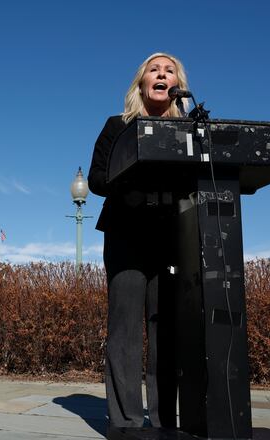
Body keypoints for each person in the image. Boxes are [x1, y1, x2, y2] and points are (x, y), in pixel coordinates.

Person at [87, 53, 190, 429]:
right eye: (154, 69)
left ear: (177, 84)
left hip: (172, 240)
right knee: (126, 332)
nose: (162, 74)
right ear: (141, 83)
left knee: (166, 333)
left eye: (170, 71)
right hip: (126, 235)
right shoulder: (117, 126)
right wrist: (129, 175)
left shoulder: (189, 132)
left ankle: (164, 422)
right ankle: (127, 422)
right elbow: (97, 178)